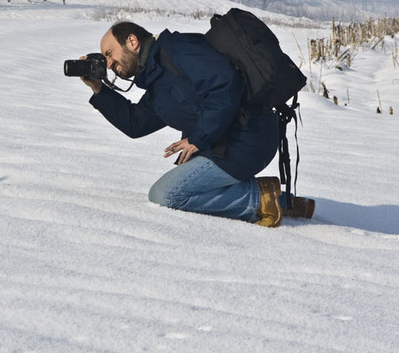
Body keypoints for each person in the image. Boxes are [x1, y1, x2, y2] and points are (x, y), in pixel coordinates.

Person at [80, 20, 314, 227]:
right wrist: (99, 90)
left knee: (165, 195)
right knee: (181, 190)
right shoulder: (156, 80)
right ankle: (287, 204)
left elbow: (224, 83)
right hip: (225, 144)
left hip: (246, 140)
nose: (108, 64)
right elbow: (136, 123)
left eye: (109, 54)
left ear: (132, 41)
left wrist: (198, 138)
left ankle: (260, 200)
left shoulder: (178, 49)